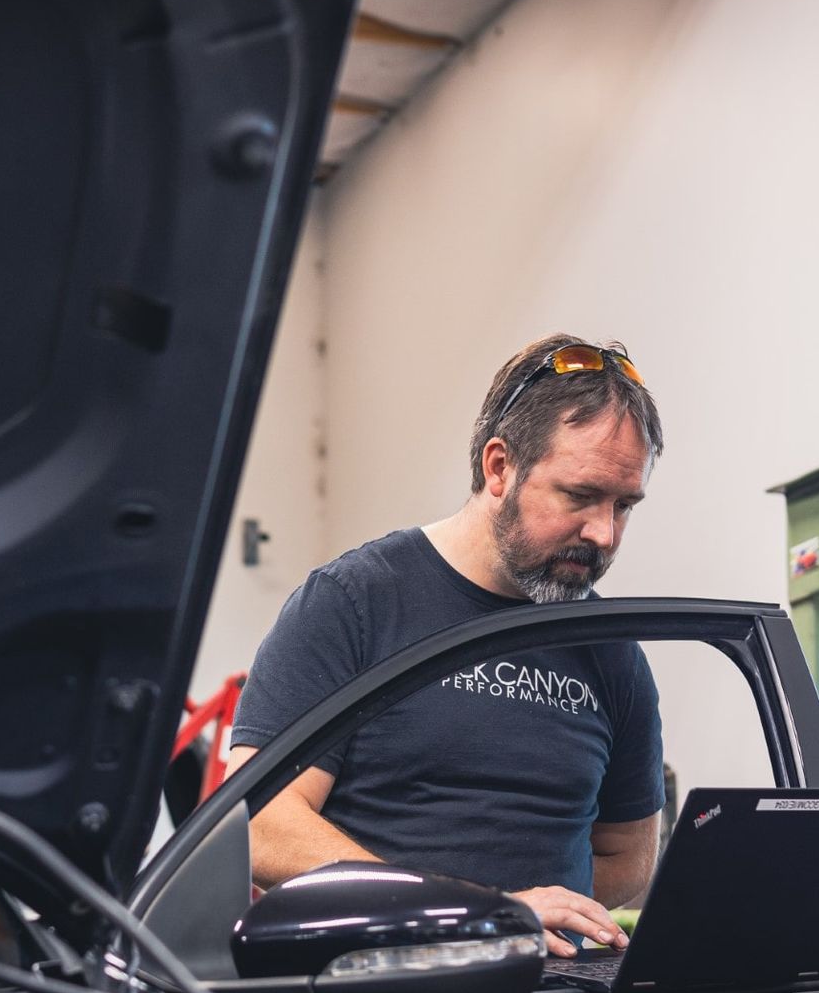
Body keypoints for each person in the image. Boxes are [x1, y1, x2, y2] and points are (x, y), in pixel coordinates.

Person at [226, 335, 665, 958]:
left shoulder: (609, 650)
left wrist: (536, 915)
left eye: (625, 505)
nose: (603, 532)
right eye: (580, 496)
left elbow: (629, 857)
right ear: (499, 467)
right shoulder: (356, 602)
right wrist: (477, 914)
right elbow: (259, 824)